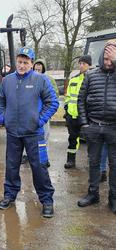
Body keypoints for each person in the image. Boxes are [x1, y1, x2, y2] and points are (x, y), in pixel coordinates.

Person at [0, 47, 59, 218]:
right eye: (20, 61)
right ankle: (9, 195)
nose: (22, 65)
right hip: (13, 133)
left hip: (34, 133)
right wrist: (2, 118)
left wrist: (38, 121)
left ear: (31, 63)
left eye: (26, 62)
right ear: (16, 61)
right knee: (11, 166)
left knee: (39, 167)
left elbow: (52, 102)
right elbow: (0, 101)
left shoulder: (40, 80)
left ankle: (47, 200)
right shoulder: (7, 81)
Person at [77, 40, 116, 213]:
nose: (108, 62)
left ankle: (113, 198)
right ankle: (93, 194)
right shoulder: (91, 75)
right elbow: (81, 101)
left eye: (111, 60)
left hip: (114, 128)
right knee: (93, 163)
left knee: (114, 164)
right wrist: (85, 123)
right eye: (106, 58)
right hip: (93, 126)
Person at [21, 59, 59, 166]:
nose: (37, 69)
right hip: (29, 113)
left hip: (43, 113)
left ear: (43, 68)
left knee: (44, 135)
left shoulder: (49, 79)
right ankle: (25, 155)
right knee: (26, 134)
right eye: (36, 67)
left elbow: (54, 95)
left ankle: (44, 158)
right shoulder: (27, 78)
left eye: (40, 67)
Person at [64, 55, 92, 169]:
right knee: (72, 138)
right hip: (72, 115)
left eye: (84, 63)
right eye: (80, 63)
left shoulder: (91, 78)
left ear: (89, 65)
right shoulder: (73, 79)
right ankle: (70, 160)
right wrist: (66, 109)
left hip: (86, 116)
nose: (81, 65)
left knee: (91, 140)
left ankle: (92, 163)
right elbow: (68, 96)